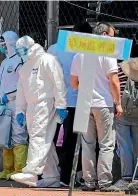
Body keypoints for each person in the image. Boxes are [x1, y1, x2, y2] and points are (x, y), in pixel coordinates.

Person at [11, 36, 67, 188]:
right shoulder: (25, 66)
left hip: (46, 102)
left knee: (39, 136)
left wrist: (61, 104)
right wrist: (20, 110)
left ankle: (31, 172)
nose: (20, 53)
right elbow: (21, 90)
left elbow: (58, 82)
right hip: (32, 106)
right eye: (18, 51)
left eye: (22, 50)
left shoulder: (47, 59)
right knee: (43, 140)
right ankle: (51, 178)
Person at [70, 22, 121, 191]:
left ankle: (89, 181)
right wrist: (118, 103)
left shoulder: (80, 54)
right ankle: (105, 182)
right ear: (105, 35)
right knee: (106, 144)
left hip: (84, 101)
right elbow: (113, 81)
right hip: (103, 103)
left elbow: (73, 83)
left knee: (87, 144)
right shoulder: (107, 53)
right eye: (112, 37)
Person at [47, 21, 93, 187]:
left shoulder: (54, 48)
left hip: (56, 100)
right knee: (74, 139)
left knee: (54, 137)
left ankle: (55, 173)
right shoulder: (85, 50)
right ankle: (70, 176)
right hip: (78, 102)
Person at [0, 31, 28, 180]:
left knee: (18, 135)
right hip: (4, 106)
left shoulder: (19, 60)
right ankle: (7, 169)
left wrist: (10, 94)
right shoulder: (5, 62)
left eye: (4, 44)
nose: (2, 47)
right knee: (6, 136)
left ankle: (20, 169)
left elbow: (24, 83)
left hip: (17, 104)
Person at [101, 59, 138, 192]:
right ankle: (136, 178)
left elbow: (112, 86)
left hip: (121, 112)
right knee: (136, 146)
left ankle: (126, 178)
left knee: (124, 146)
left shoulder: (118, 70)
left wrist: (117, 105)